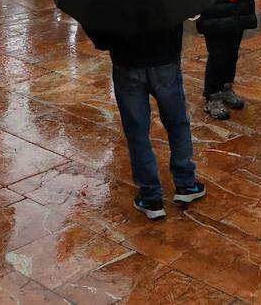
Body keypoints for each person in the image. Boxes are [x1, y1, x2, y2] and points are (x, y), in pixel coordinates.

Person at [84, 18, 205, 219]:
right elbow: (181, 10)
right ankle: (186, 183)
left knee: (137, 132)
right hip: (165, 58)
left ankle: (150, 196)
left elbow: (98, 32)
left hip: (126, 62)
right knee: (177, 123)